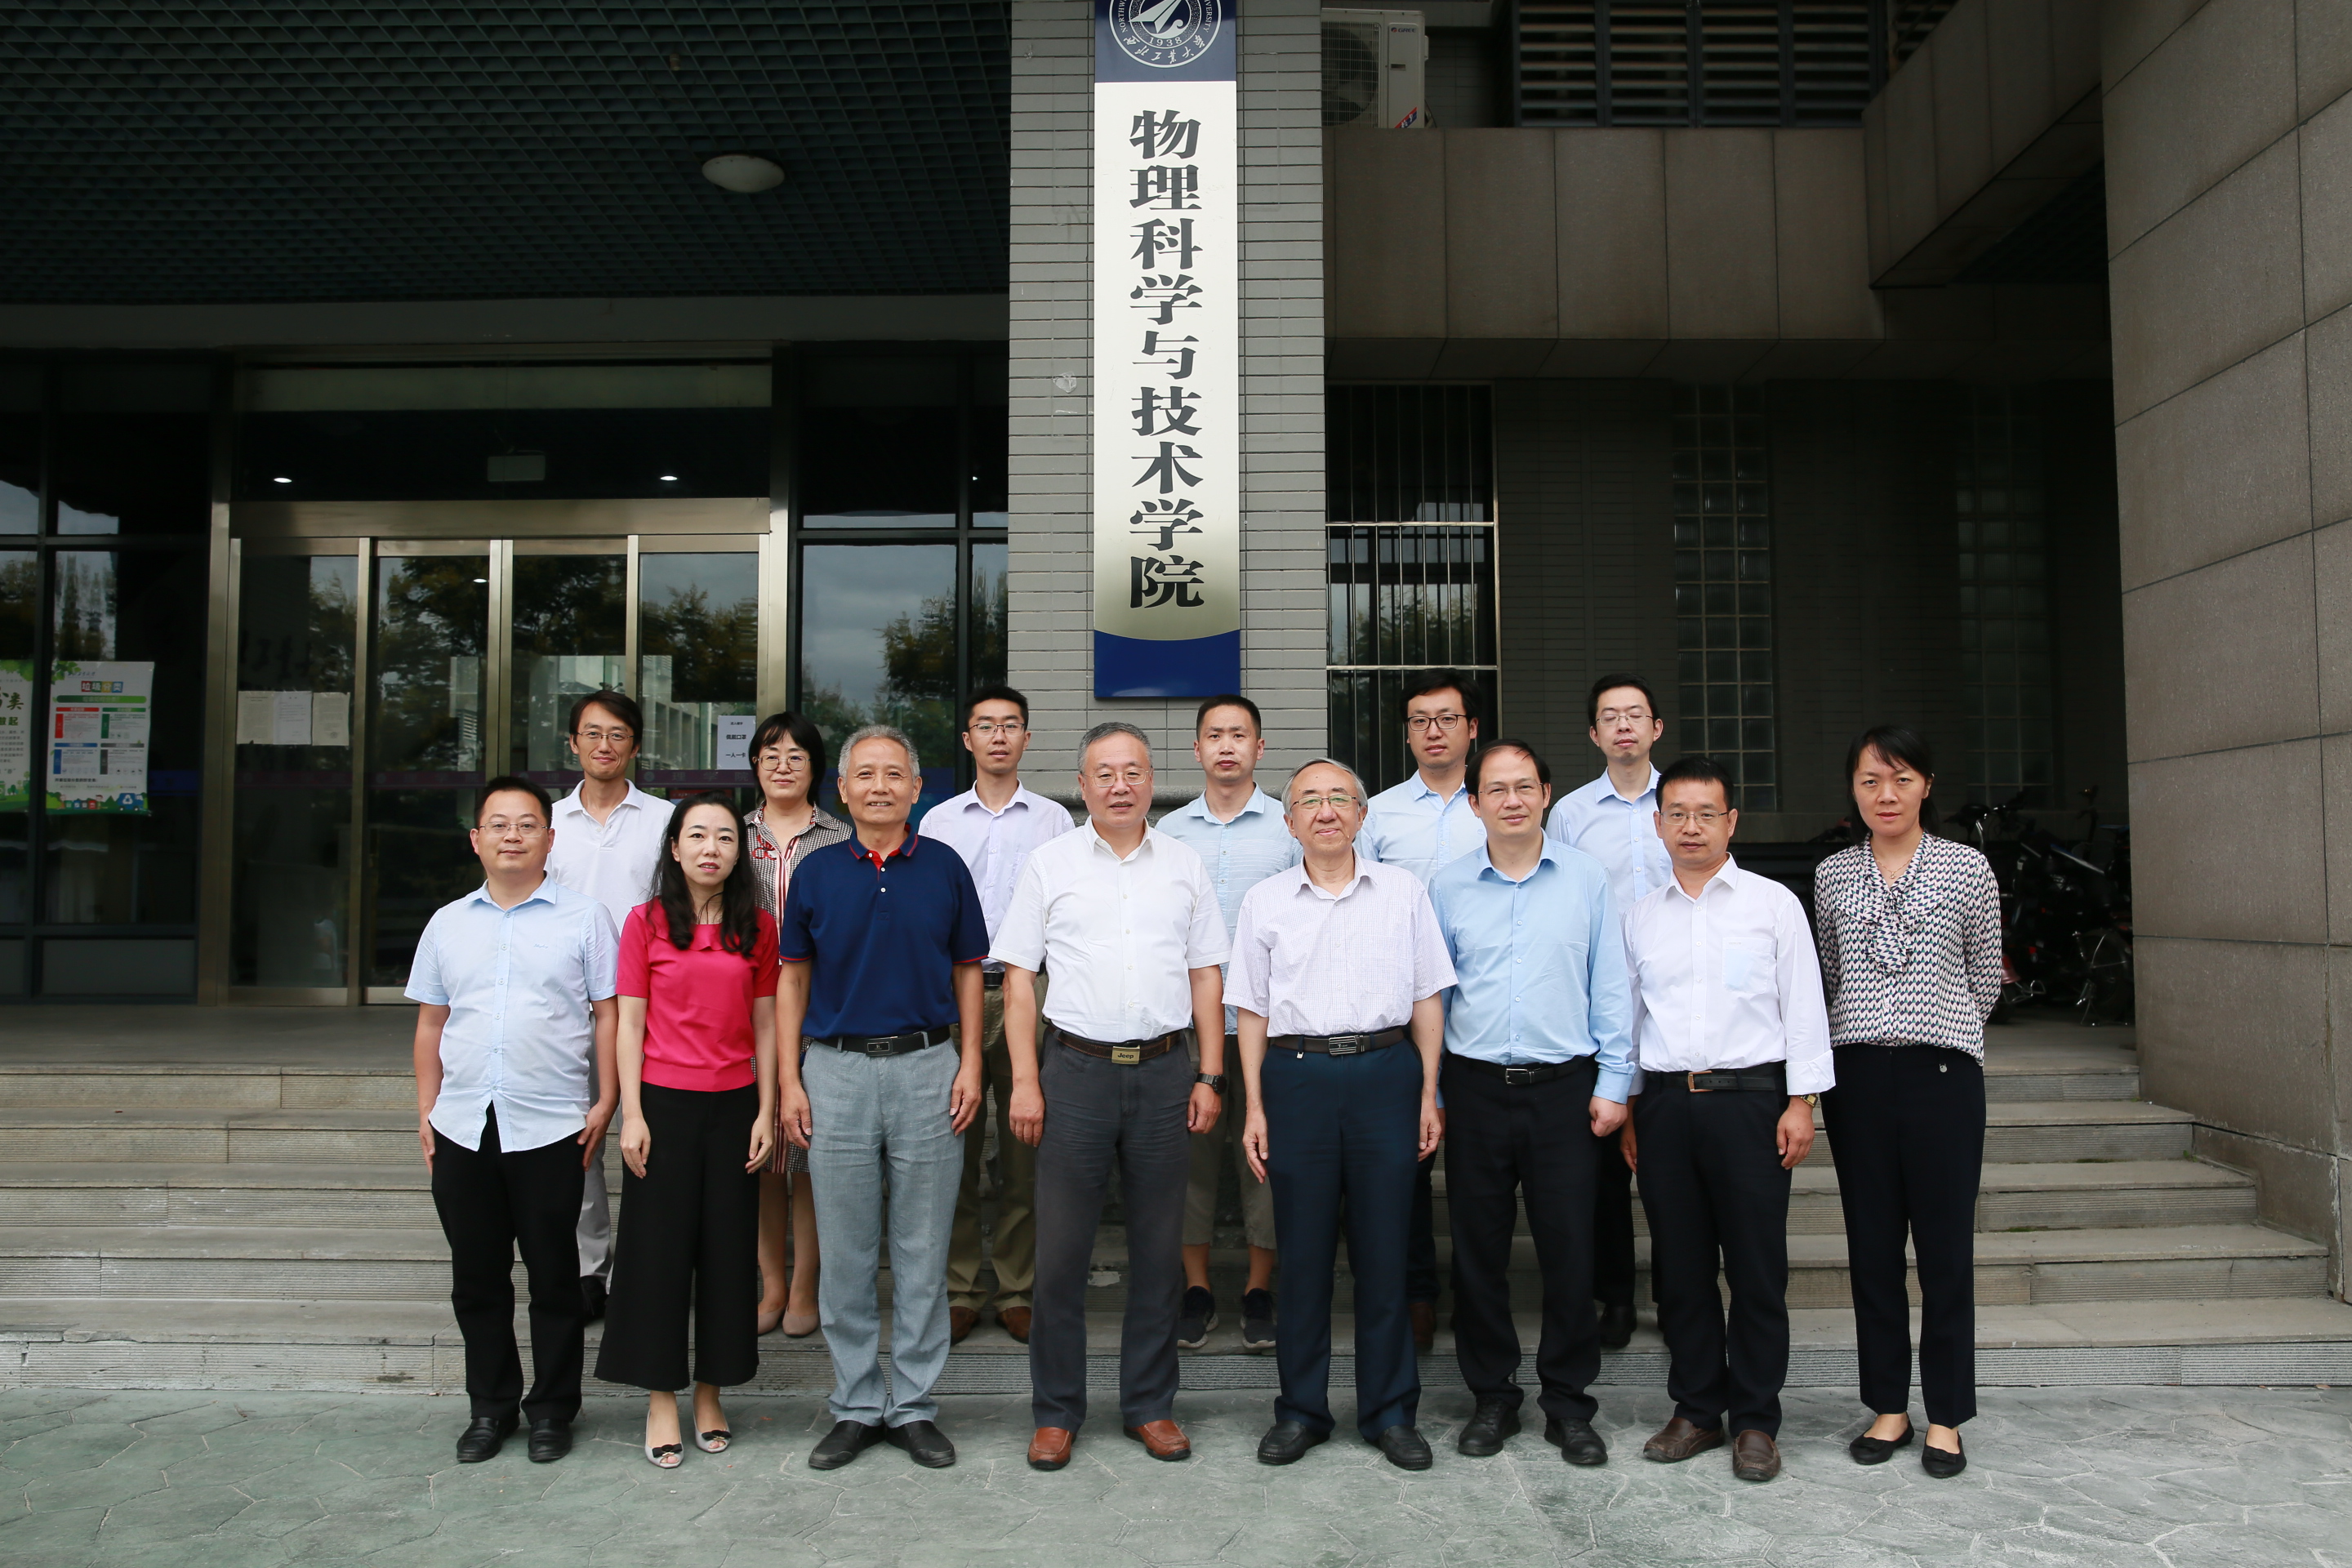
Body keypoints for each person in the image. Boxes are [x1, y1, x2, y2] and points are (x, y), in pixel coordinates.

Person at [995, 722, 1228, 1472]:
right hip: (1075, 1073)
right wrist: (1025, 1080)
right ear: (1083, 784)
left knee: (1158, 1254)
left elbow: (1206, 976)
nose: (1120, 785)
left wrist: (1209, 1073)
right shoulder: (1050, 863)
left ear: (1152, 779)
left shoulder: (1184, 863)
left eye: (1133, 771)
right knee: (1061, 1254)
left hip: (1164, 1073)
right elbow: (1019, 981)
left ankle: (1150, 1405)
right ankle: (1057, 1412)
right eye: (1105, 773)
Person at [776, 726, 989, 1472]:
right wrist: (789, 1078)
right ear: (841, 789)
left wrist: (970, 1063)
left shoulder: (945, 866)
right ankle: (857, 1403)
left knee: (923, 1250)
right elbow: (792, 978)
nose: (879, 787)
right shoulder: (816, 872)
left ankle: (917, 1405)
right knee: (845, 1251)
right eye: (864, 775)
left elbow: (969, 969)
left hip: (929, 1067)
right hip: (834, 1071)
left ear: (916, 788)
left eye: (894, 774)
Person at [1232, 759, 1454, 1472]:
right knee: (1302, 1258)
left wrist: (1428, 1091)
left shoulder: (1403, 892)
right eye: (1310, 801)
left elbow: (1427, 996)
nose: (1325, 811)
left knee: (1385, 1254)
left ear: (1362, 815)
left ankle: (1390, 1413)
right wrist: (1255, 1106)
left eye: (1340, 799)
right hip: (1295, 1079)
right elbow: (1251, 1010)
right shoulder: (1265, 901)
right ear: (1290, 821)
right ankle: (1301, 1411)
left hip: (1386, 1075)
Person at [1621, 755, 1832, 1484]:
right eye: (1677, 814)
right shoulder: (1640, 917)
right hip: (1666, 1104)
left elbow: (1803, 1006)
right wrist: (1629, 1107)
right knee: (1680, 1269)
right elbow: (1628, 1022)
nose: (1691, 827)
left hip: (1751, 1104)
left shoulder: (1773, 905)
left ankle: (1756, 1420)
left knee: (1756, 1268)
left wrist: (1802, 1102)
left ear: (1731, 821)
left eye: (1706, 814)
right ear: (1657, 825)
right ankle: (1697, 1409)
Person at [1427, 739, 1631, 1468]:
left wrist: (1614, 1084)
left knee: (1569, 1250)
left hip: (1566, 1090)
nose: (1511, 801)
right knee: (1478, 1254)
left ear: (1546, 794)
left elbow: (1610, 982)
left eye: (1524, 787)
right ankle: (1493, 1397)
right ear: (1474, 803)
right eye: (1496, 789)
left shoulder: (1586, 879)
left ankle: (1569, 1404)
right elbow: (1434, 997)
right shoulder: (1448, 886)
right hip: (1476, 1088)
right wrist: (1434, 1092)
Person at [408, 775, 618, 1465]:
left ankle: (553, 1409)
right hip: (464, 1123)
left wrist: (607, 1101)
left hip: (552, 1125)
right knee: (477, 1279)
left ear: (550, 840)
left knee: (556, 1280)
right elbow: (431, 1024)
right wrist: (426, 1110)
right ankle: (490, 1408)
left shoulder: (585, 918)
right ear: (476, 840)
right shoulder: (447, 923)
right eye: (498, 825)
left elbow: (610, 1016)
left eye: (527, 825)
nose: (512, 836)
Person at [1813, 727, 2002, 1480]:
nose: (1885, 795)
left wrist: (1935, 1028)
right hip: (1857, 1076)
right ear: (1853, 790)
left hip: (1942, 1077)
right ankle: (1888, 1405)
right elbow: (1831, 975)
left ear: (1926, 785)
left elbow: (1984, 978)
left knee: (1946, 1253)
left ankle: (1946, 1414)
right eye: (1870, 781)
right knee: (1873, 1248)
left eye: (1900, 779)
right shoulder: (1833, 874)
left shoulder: (1967, 868)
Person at [594, 794, 778, 1468]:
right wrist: (632, 1114)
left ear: (739, 852)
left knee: (727, 1256)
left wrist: (766, 1110)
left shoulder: (757, 927)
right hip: (663, 1108)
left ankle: (710, 1394)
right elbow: (631, 1024)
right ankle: (661, 1399)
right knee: (657, 1257)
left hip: (734, 1106)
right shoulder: (644, 923)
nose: (711, 848)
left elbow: (766, 1024)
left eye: (725, 837)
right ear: (674, 848)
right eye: (697, 835)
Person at [920, 684, 1074, 1347]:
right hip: (954, 992)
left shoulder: (1055, 821)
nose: (999, 736)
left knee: (1024, 1147)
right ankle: (959, 1288)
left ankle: (1016, 1288)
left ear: (1027, 738)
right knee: (950, 1144)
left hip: (1028, 992)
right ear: (968, 740)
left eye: (1011, 725)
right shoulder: (937, 822)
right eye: (986, 726)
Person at [1154, 694, 1293, 1354]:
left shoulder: (1289, 828)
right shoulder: (1171, 832)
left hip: (1274, 1024)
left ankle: (1260, 1289)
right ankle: (1197, 1288)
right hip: (1190, 1026)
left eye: (1240, 735)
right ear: (1197, 749)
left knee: (1267, 1160)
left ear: (1259, 748)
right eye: (1215, 735)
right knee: (1191, 1161)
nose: (1227, 746)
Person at [1544, 674, 1674, 1349]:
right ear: (1594, 734)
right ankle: (1615, 1297)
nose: (1624, 726)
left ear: (1656, 728)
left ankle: (1678, 1294)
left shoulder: (1684, 802)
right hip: (1602, 1006)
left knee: (1674, 1164)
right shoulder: (1570, 814)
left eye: (1635, 715)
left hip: (1678, 1002)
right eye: (1610, 717)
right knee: (1604, 1171)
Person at [1361, 670, 1486, 1352]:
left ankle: (1477, 1294)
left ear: (1472, 728)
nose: (1433, 731)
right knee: (1403, 1166)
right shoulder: (1377, 815)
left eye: (1447, 718)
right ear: (1407, 733)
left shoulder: (1496, 804)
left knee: (1477, 1170)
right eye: (1420, 720)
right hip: (1402, 1019)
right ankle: (1415, 1292)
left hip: (1486, 1011)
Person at [544, 688, 668, 1322]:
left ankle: (648, 1270)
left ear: (635, 746)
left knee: (657, 1140)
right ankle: (589, 1269)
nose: (604, 745)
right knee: (583, 1140)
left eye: (617, 734)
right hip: (572, 1007)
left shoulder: (666, 820)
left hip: (655, 1005)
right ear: (573, 743)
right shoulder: (547, 825)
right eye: (592, 733)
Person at [743, 710, 852, 1339]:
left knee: (811, 1159)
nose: (782, 766)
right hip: (747, 1016)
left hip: (822, 1016)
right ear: (755, 766)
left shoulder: (840, 837)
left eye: (796, 756)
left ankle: (806, 1285)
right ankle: (771, 1284)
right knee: (762, 1159)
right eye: (771, 756)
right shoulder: (733, 833)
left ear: (816, 768)